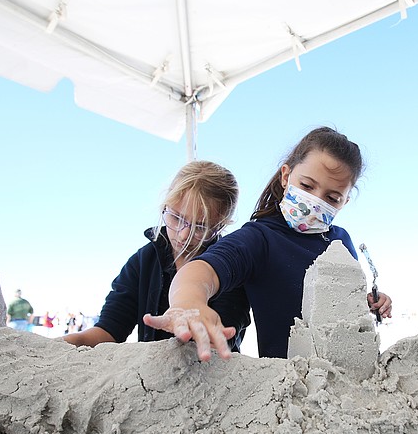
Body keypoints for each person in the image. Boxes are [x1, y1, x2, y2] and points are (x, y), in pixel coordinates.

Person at [143, 126, 392, 361]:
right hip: (292, 388)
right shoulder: (259, 239)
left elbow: (346, 303)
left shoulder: (342, 241)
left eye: (332, 197)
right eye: (306, 185)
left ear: (345, 201)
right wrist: (189, 303)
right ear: (286, 176)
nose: (315, 201)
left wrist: (372, 303)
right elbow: (200, 271)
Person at [63, 161, 250, 349]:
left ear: (221, 226)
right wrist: (67, 343)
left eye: (200, 227)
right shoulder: (143, 261)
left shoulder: (230, 268)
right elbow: (109, 330)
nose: (184, 235)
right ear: (164, 206)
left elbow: (222, 339)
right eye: (176, 218)